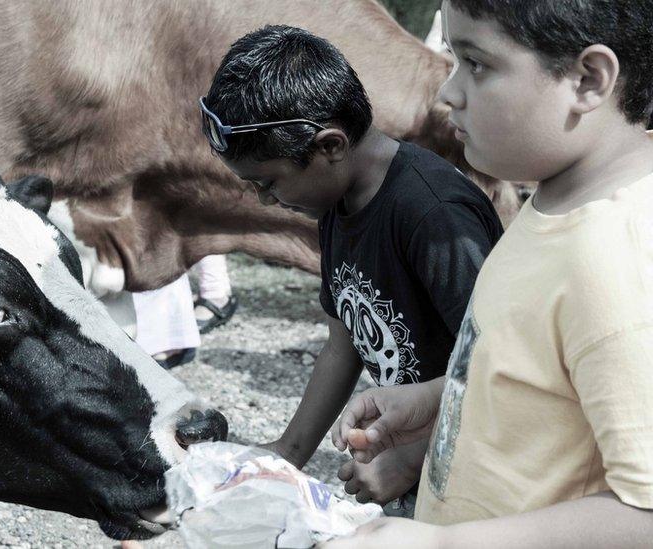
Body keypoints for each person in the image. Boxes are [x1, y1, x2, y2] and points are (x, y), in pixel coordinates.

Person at [324, 1, 653, 546]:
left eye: (476, 64)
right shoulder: (555, 199)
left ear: (588, 80)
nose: (447, 93)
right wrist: (440, 400)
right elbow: (544, 385)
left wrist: (439, 542)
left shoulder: (616, 260)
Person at [199, 25, 503, 508]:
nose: (265, 199)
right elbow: (345, 342)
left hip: (477, 474)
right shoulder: (338, 201)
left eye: (269, 182)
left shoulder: (433, 215)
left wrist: (413, 460)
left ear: (330, 147)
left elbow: (501, 371)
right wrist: (287, 453)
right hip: (415, 455)